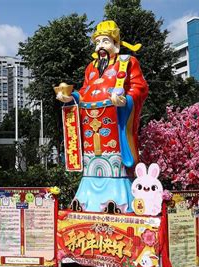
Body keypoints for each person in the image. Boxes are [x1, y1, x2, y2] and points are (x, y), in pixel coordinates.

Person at [55, 20, 148, 213]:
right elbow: (84, 91)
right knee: (92, 162)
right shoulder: (91, 67)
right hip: (90, 122)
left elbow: (140, 88)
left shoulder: (127, 63)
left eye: (105, 41)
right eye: (97, 43)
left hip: (114, 121)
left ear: (116, 43)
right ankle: (86, 198)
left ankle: (119, 200)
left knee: (114, 161)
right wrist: (69, 97)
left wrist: (126, 100)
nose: (100, 47)